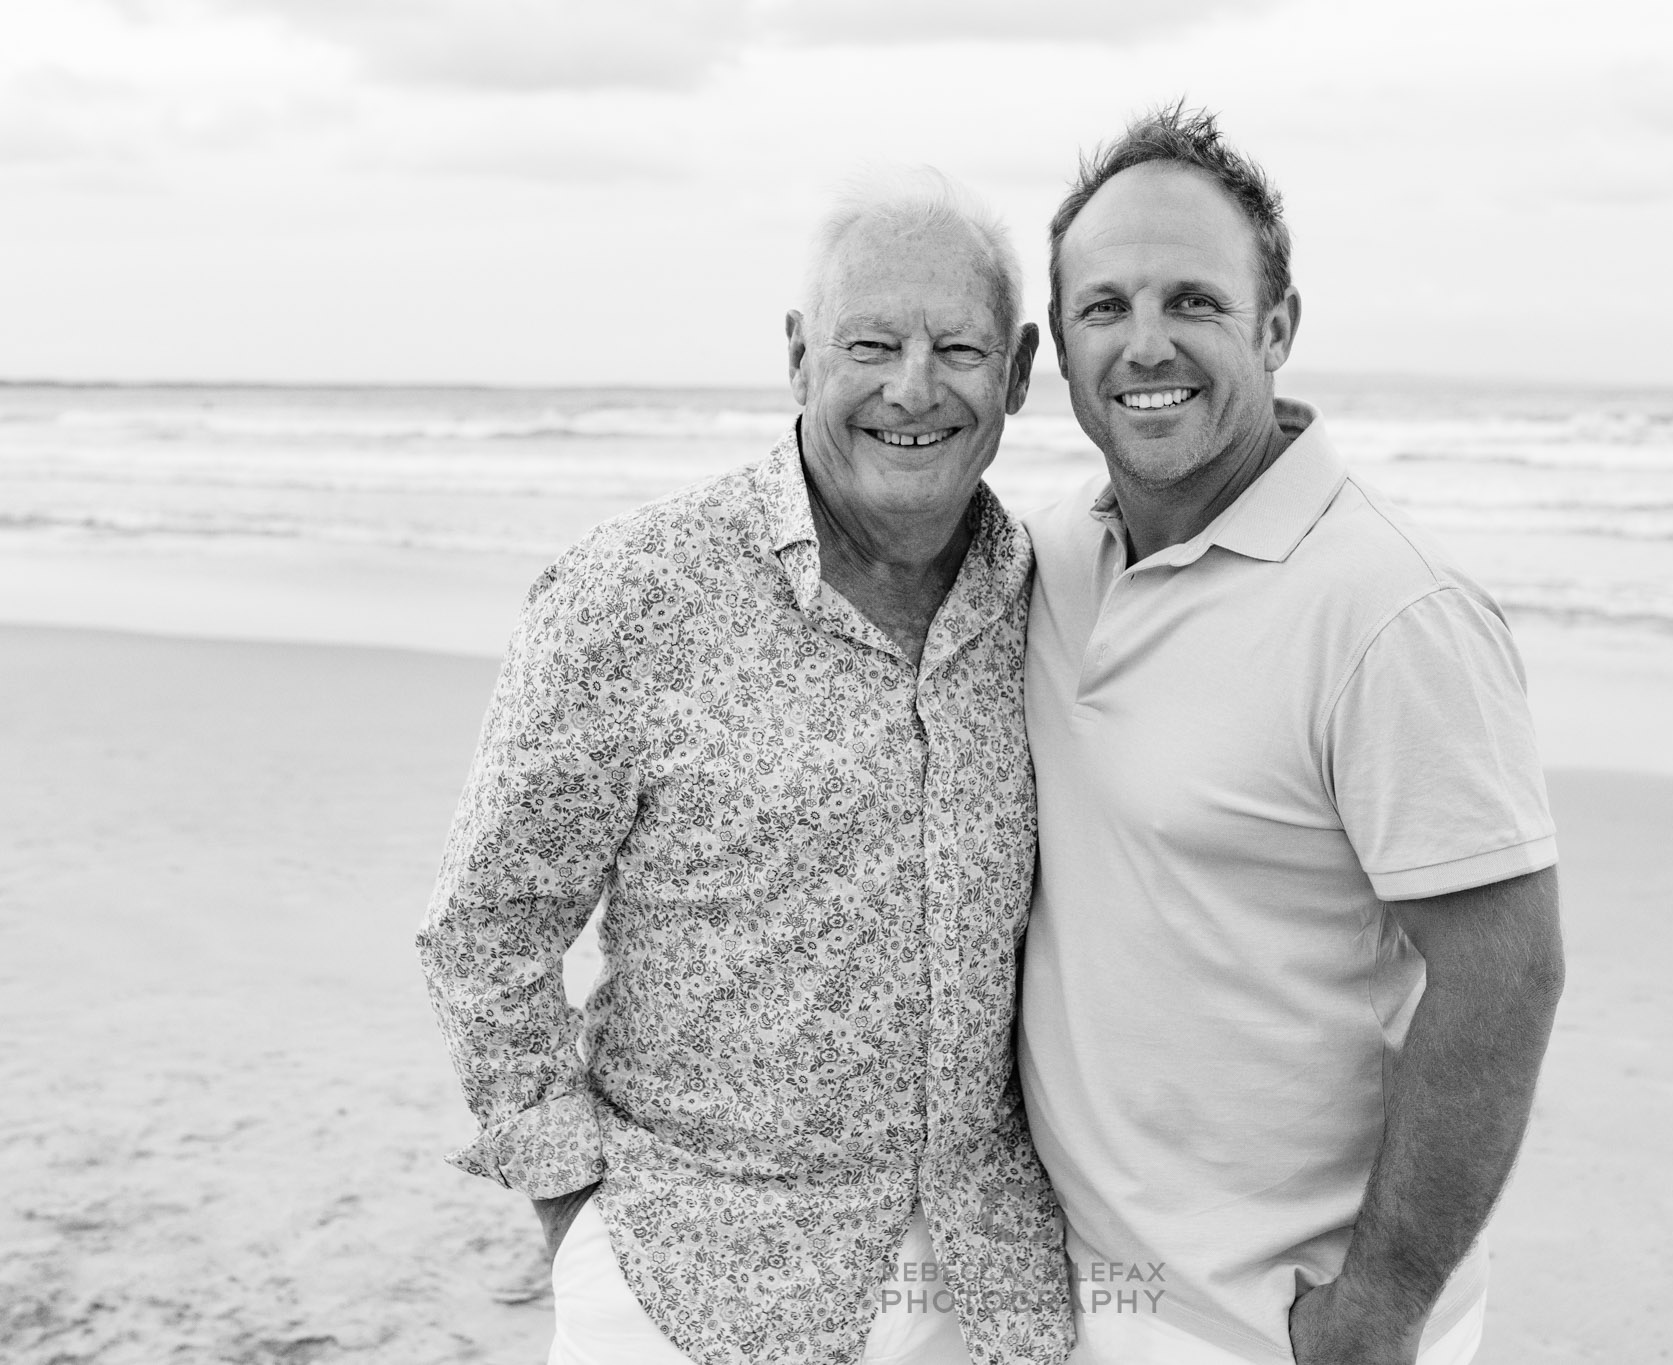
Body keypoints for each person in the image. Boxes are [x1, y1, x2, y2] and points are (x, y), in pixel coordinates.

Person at [418, 170, 1071, 1365]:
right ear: (798, 357)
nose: (912, 388)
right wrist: (575, 1216)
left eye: (957, 348)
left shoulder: (1045, 599)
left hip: (983, 1287)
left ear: (1018, 371)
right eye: (868, 344)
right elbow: (485, 931)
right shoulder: (635, 593)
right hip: (685, 1280)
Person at [1019, 106, 1567, 1365]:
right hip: (1066, 1291)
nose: (1144, 343)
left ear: (1274, 326)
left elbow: (1505, 977)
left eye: (1192, 301)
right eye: (1104, 307)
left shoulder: (1391, 612)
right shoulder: (1044, 563)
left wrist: (1379, 1307)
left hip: (1269, 1328)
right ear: (1059, 346)